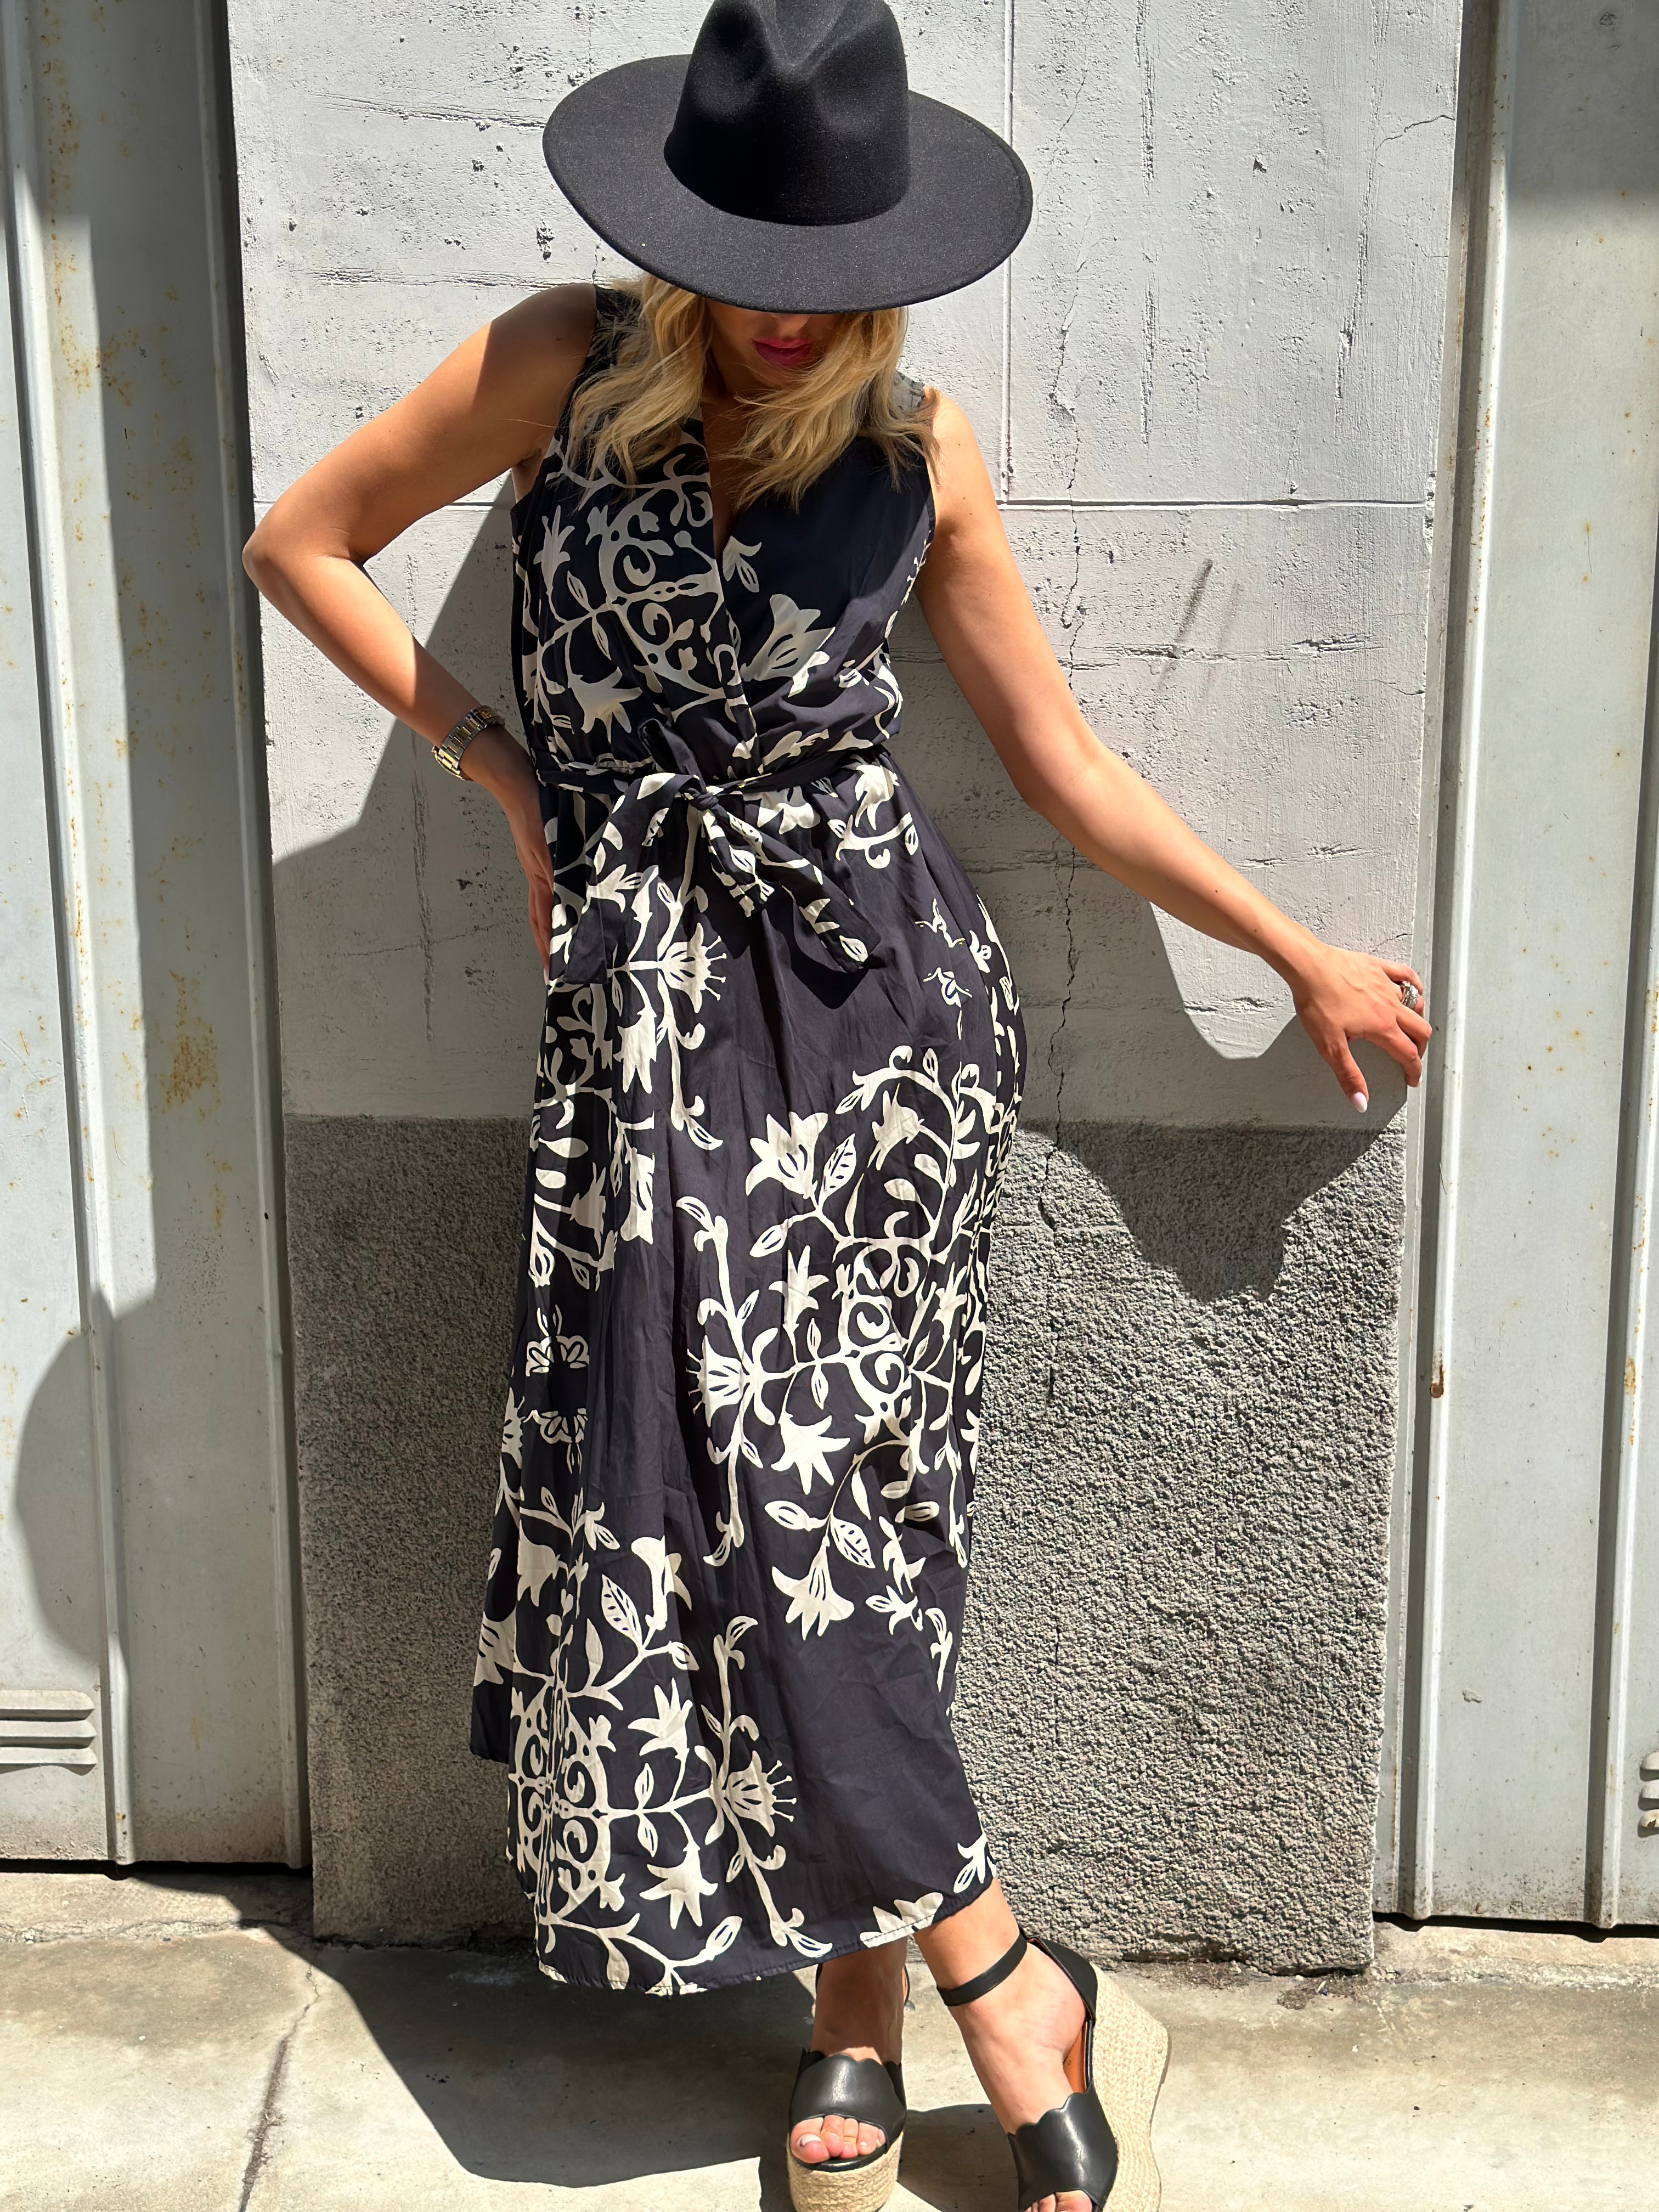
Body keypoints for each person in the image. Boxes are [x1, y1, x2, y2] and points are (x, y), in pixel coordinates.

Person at [244, 4, 1430, 2207]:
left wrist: (1289, 947)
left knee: (844, 1511)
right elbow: (298, 544)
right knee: (733, 1508)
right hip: (649, 1019)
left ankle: (863, 2016)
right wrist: (501, 777)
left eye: (830, 281)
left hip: (880, 1017)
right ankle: (998, 1980)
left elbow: (1062, 765)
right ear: (673, 241)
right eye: (747, 271)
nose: (787, 318)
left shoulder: (920, 450)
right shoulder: (557, 368)